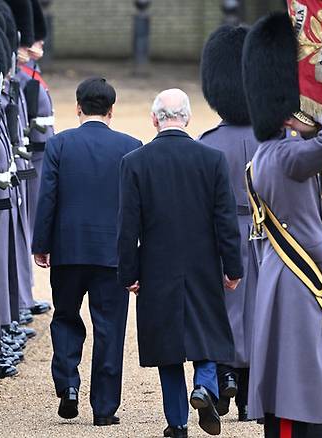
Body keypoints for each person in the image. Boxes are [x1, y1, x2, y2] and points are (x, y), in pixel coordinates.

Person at [241, 12, 322, 437]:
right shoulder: (289, 155)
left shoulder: (265, 157)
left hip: (285, 272)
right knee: (298, 378)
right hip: (298, 277)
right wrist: (319, 114)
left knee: (302, 371)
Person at [118, 88, 243, 438]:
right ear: (187, 118)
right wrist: (233, 267)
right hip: (204, 261)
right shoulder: (213, 159)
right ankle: (204, 385)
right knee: (207, 330)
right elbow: (226, 221)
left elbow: (127, 226)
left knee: (167, 347)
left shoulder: (134, 162)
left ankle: (176, 423)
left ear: (154, 119)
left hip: (156, 264)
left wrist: (129, 272)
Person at [32, 77, 141, 426]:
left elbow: (47, 197)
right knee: (109, 329)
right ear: (111, 110)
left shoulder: (59, 144)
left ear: (77, 107)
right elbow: (136, 207)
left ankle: (67, 385)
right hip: (113, 252)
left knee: (65, 317)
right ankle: (105, 409)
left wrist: (42, 244)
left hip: (69, 248)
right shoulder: (130, 145)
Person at [198, 24, 260, 421]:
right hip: (267, 237)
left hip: (222, 238)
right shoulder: (274, 141)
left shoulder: (206, 144)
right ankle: (252, 395)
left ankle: (225, 378)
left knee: (224, 310)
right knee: (260, 313)